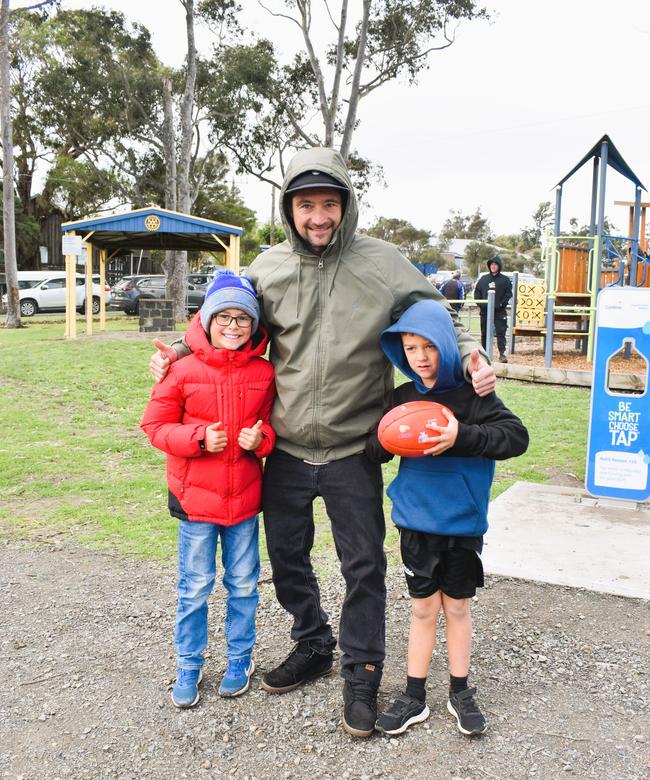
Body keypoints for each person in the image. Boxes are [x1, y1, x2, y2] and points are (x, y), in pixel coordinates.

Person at [149, 146, 498, 737]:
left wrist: (470, 353)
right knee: (287, 559)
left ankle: (361, 671)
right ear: (290, 209)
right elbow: (222, 314)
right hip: (281, 445)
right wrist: (181, 352)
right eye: (305, 205)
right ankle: (312, 643)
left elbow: (437, 312)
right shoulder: (268, 267)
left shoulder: (384, 263)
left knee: (363, 564)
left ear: (346, 206)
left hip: (355, 444)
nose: (317, 216)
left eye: (328, 203)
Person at [365, 299, 528, 737]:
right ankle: (414, 696)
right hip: (417, 522)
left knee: (456, 606)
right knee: (422, 610)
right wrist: (386, 441)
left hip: (462, 522)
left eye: (429, 347)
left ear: (446, 346)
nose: (420, 357)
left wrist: (461, 435)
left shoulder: (474, 396)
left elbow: (516, 437)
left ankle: (460, 691)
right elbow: (376, 447)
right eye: (411, 348)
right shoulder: (402, 398)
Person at [141, 271, 276, 708]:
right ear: (207, 319)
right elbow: (155, 425)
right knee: (195, 586)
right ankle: (188, 663)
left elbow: (274, 428)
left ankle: (240, 659)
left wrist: (262, 442)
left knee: (243, 585)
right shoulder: (180, 370)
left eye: (243, 318)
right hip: (195, 501)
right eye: (224, 317)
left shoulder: (265, 372)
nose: (233, 326)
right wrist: (199, 439)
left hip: (244, 503)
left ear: (254, 325)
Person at [473, 255, 512, 363]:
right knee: (484, 333)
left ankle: (502, 354)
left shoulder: (505, 280)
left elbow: (509, 294)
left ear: (499, 266)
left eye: (495, 264)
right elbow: (477, 292)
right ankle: (484, 354)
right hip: (485, 312)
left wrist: (501, 304)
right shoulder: (484, 279)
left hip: (499, 312)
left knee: (501, 332)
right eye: (491, 264)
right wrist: (481, 304)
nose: (493, 266)